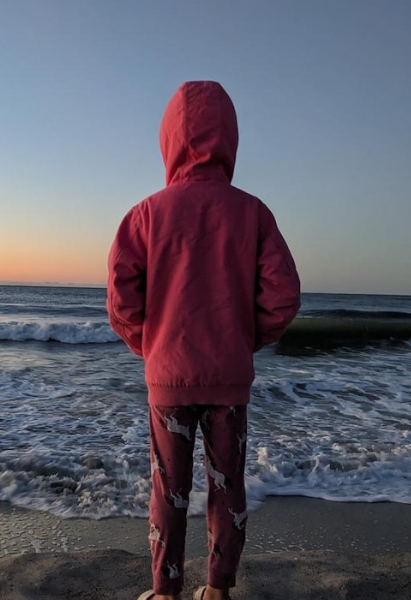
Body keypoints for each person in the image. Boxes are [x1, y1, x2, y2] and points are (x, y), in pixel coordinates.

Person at [106, 81, 301, 600]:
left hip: (168, 377)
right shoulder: (253, 213)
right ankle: (217, 590)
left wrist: (150, 346)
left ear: (168, 140)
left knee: (167, 491)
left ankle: (165, 591)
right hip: (228, 379)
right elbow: (283, 297)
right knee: (227, 486)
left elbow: (121, 298)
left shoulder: (145, 215)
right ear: (229, 139)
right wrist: (242, 341)